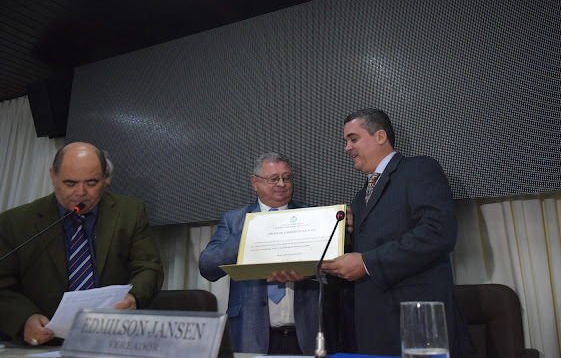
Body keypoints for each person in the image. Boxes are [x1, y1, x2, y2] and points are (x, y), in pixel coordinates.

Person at [321, 109, 473, 357]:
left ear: (380, 136)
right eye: (346, 141)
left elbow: (438, 231)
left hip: (417, 324)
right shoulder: (359, 200)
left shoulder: (419, 168)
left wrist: (367, 263)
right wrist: (315, 265)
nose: (347, 148)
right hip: (371, 331)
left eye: (353, 139)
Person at [0, 142, 164, 346]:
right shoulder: (15, 223)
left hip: (112, 339)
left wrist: (134, 298)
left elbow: (149, 267)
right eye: (70, 183)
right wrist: (25, 319)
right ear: (53, 176)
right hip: (45, 342)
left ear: (106, 178)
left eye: (91, 182)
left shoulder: (130, 213)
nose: (80, 192)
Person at [199, 152, 336, 355]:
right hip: (250, 336)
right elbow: (207, 267)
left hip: (306, 336)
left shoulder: (313, 216)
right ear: (255, 182)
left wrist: (311, 275)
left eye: (287, 177)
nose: (282, 184)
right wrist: (250, 233)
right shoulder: (234, 220)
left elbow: (334, 273)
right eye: (274, 178)